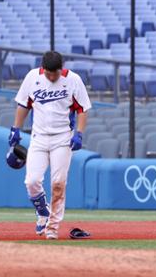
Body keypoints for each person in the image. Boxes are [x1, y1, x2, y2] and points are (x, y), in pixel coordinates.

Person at [10, 51, 91, 240]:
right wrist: (15, 129)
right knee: (31, 181)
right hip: (38, 137)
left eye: (55, 73)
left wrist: (79, 134)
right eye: (48, 73)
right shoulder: (33, 77)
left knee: (58, 183)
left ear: (60, 69)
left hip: (63, 138)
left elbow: (82, 109)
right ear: (43, 69)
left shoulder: (73, 80)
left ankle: (52, 227)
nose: (52, 77)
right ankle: (42, 212)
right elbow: (23, 104)